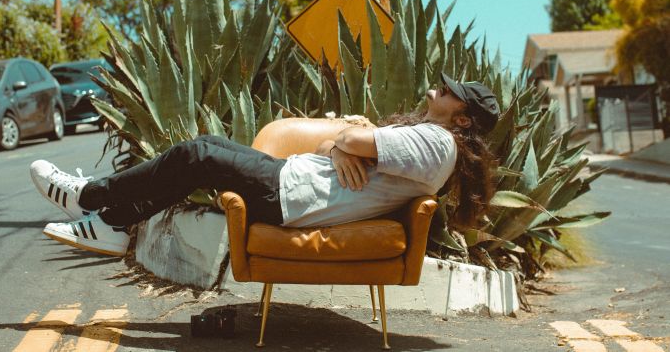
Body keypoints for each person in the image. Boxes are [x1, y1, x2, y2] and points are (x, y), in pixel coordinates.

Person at [30, 73, 500, 257]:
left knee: (198, 155)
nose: (441, 87)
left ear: (462, 118)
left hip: (293, 199)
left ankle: (89, 197)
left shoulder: (437, 143)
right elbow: (339, 145)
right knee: (207, 148)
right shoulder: (433, 140)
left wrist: (347, 143)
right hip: (293, 181)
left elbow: (354, 138)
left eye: (452, 92)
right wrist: (341, 149)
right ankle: (115, 223)